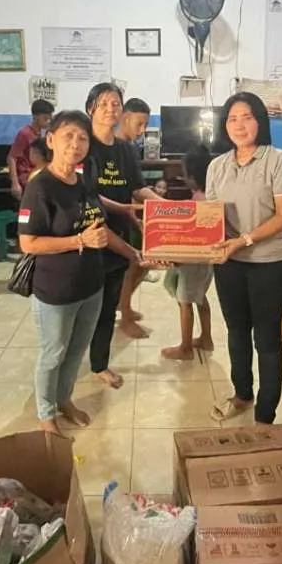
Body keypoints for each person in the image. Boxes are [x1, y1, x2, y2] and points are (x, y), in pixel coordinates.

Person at [18, 110, 146, 433]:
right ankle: (46, 413)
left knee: (75, 351)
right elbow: (28, 243)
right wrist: (78, 240)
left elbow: (100, 229)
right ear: (51, 140)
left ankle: (64, 399)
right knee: (53, 352)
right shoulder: (40, 187)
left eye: (82, 137)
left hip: (92, 286)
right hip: (56, 290)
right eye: (68, 136)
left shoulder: (84, 182)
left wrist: (134, 253)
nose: (76, 143)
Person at [207, 92, 282, 424]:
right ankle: (243, 394)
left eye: (246, 117)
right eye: (232, 118)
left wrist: (243, 240)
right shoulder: (217, 166)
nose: (239, 125)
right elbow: (210, 219)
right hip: (229, 264)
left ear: (260, 121)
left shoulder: (278, 160)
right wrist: (183, 246)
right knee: (235, 332)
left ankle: (265, 414)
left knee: (266, 339)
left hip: (268, 264)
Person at [83, 83, 162, 384]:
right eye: (103, 103)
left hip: (116, 240)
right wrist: (125, 207)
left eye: (116, 103)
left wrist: (170, 207)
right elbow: (85, 194)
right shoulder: (81, 144)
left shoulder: (125, 149)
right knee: (78, 310)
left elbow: (137, 188)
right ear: (91, 107)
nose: (110, 108)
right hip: (84, 240)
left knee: (105, 308)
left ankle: (99, 364)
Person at [161, 145, 216, 362]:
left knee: (185, 302)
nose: (184, 179)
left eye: (185, 175)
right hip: (206, 261)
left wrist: (177, 258)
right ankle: (206, 338)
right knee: (200, 297)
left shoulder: (199, 201)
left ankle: (185, 348)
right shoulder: (207, 195)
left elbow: (191, 237)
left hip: (193, 262)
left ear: (193, 176)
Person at [115, 98, 158, 329]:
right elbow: (137, 190)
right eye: (139, 124)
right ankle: (125, 316)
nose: (142, 131)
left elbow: (134, 187)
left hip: (128, 216)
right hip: (110, 221)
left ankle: (125, 306)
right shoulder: (108, 147)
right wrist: (167, 205)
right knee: (131, 265)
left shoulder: (129, 149)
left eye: (145, 126)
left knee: (140, 263)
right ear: (124, 116)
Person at [8, 99, 55, 199]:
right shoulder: (24, 134)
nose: (49, 121)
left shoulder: (45, 134)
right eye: (46, 118)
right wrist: (15, 183)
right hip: (27, 178)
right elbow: (12, 158)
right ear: (35, 117)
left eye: (50, 118)